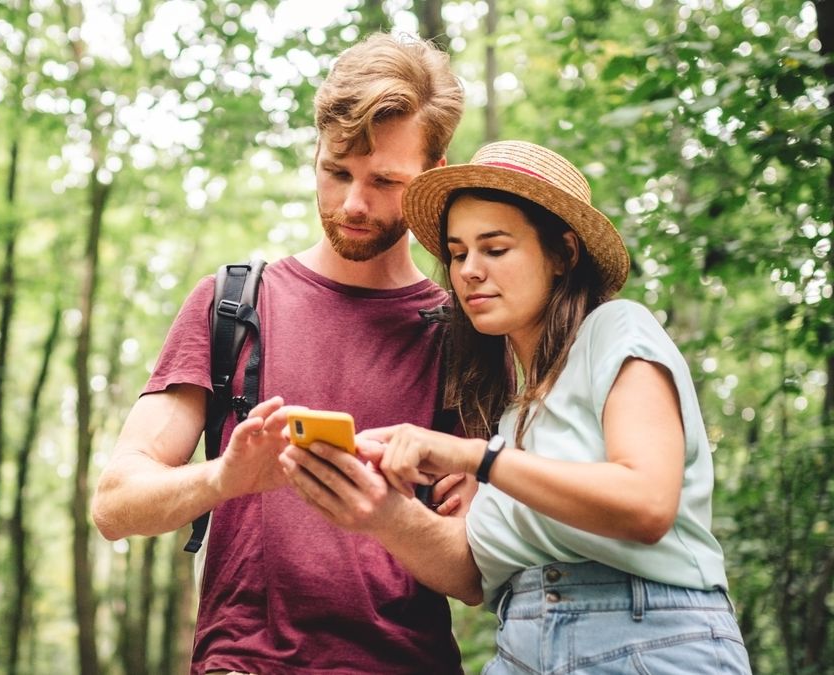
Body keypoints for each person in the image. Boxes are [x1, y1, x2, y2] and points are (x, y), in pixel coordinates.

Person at [291, 140, 750, 673]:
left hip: (649, 640)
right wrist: (378, 509)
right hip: (522, 647)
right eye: (458, 253)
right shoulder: (510, 417)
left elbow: (646, 505)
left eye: (496, 248)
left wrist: (475, 458)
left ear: (563, 254)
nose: (468, 271)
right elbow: (470, 577)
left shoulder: (616, 330)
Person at [91, 33, 471, 674]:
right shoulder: (232, 302)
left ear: (433, 178)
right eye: (336, 172)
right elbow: (114, 504)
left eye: (385, 181)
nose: (353, 202)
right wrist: (224, 480)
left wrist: (384, 514)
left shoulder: (461, 333)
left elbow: (472, 573)